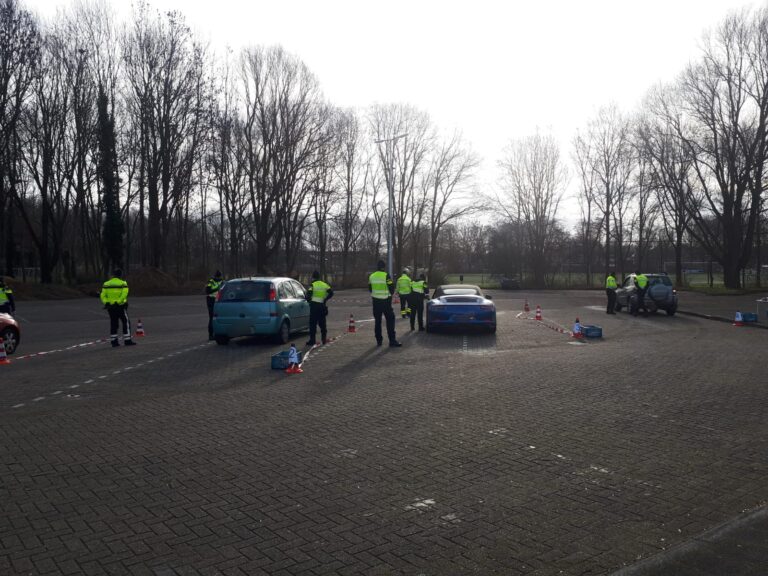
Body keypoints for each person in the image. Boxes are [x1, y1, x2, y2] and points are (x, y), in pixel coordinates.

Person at [369, 260, 401, 347]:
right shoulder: (386, 275)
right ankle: (392, 341)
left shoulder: (371, 276)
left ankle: (379, 341)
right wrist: (389, 296)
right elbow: (391, 287)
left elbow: (370, 288)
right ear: (383, 267)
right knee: (390, 320)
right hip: (386, 301)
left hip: (376, 302)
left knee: (378, 322)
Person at [100, 268, 136, 347]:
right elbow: (124, 294)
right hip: (120, 307)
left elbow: (102, 295)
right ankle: (127, 340)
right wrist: (118, 302)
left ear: (113, 275)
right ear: (121, 275)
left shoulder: (106, 283)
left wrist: (107, 302)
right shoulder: (123, 283)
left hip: (110, 307)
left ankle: (114, 342)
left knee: (113, 323)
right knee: (125, 322)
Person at [306, 270, 333, 346]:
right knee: (323, 323)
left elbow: (308, 295)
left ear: (313, 277)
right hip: (322, 306)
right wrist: (325, 299)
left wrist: (309, 300)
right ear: (319, 277)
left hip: (314, 306)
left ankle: (312, 340)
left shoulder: (312, 285)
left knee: (313, 324)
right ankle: (324, 339)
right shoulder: (325, 284)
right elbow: (331, 293)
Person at [205, 270, 224, 340]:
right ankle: (212, 335)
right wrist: (217, 288)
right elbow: (208, 291)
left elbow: (207, 291)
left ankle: (215, 334)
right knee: (213, 318)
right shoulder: (215, 281)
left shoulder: (214, 281)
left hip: (215, 300)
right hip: (213, 300)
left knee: (213, 318)